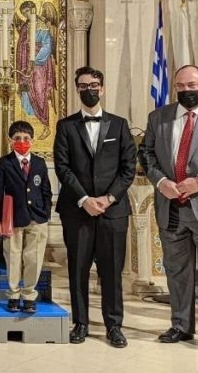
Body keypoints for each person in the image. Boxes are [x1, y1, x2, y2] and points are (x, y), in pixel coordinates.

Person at [53, 66, 136, 348]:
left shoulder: (119, 125)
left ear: (102, 88)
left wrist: (109, 198)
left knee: (111, 272)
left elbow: (128, 167)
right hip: (77, 210)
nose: (89, 90)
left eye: (93, 85)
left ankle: (114, 326)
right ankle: (81, 323)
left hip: (113, 211)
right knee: (78, 269)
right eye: (83, 86)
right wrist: (84, 199)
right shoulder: (65, 126)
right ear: (77, 89)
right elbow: (63, 168)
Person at [139, 65, 198, 354]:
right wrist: (161, 182)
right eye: (180, 86)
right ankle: (181, 326)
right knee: (177, 273)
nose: (186, 91)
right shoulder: (158, 117)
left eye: (192, 85)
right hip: (171, 208)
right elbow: (146, 153)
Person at [0, 121, 52, 313]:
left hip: (37, 217)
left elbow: (46, 190)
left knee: (33, 258)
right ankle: (14, 295)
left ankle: (29, 295)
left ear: (32, 141)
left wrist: (46, 213)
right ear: (10, 141)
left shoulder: (39, 163)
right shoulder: (5, 162)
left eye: (26, 138)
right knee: (13, 256)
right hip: (13, 218)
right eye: (17, 138)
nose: (22, 142)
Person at [16, 0, 58, 140]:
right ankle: (27, 124)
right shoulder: (25, 26)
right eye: (24, 13)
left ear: (34, 10)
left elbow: (47, 45)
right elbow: (22, 44)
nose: (26, 15)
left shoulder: (41, 25)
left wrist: (35, 60)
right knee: (26, 91)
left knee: (39, 92)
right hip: (25, 66)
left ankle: (45, 125)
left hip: (40, 66)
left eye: (28, 11)